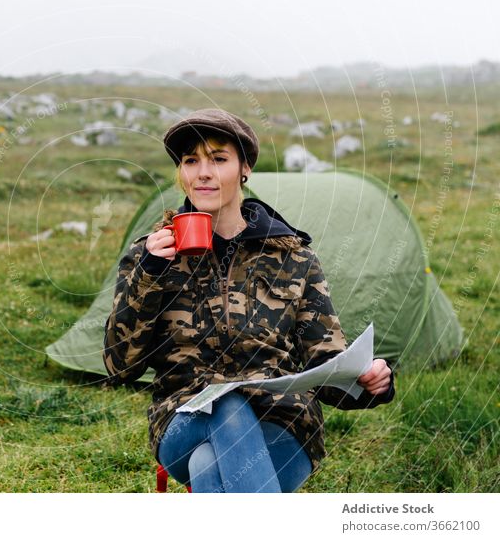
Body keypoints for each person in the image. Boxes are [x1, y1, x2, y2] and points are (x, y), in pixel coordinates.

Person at [103, 108, 395, 493]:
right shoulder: (152, 255)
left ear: (245, 169)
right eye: (191, 161)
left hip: (284, 424)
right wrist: (149, 274)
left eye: (218, 159)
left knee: (210, 467)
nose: (202, 172)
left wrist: (371, 381)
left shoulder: (293, 257)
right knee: (226, 407)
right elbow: (119, 366)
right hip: (183, 420)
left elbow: (326, 362)